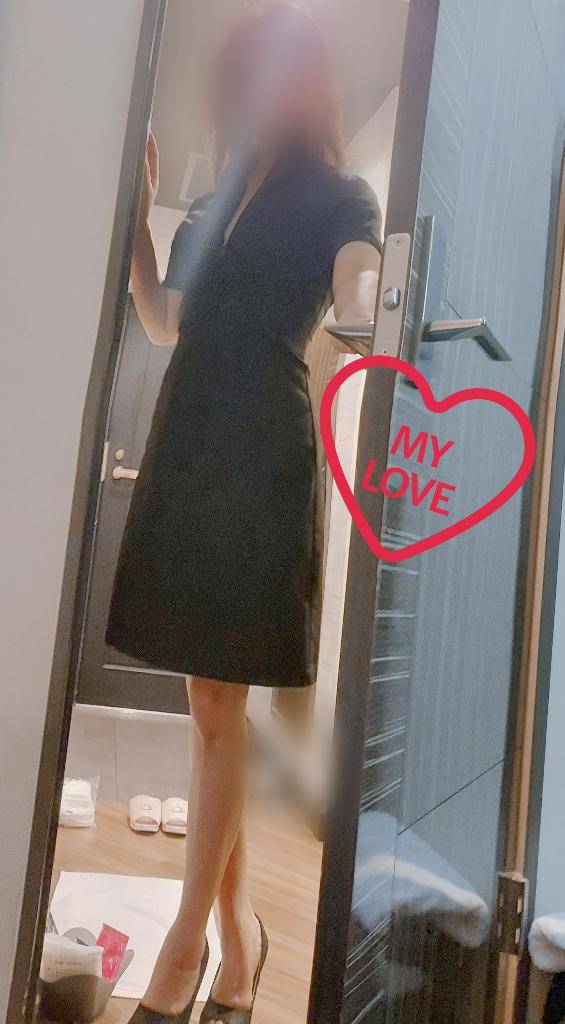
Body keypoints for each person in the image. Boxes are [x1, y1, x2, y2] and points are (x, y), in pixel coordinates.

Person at [106, 5, 382, 1022]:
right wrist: (139, 217)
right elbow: (162, 319)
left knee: (221, 707)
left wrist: (372, 293)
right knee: (211, 708)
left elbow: (359, 285)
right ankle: (238, 935)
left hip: (261, 451)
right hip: (189, 444)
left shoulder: (340, 193)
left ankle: (186, 948)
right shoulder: (218, 196)